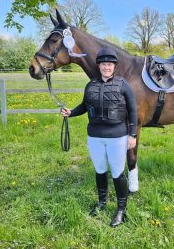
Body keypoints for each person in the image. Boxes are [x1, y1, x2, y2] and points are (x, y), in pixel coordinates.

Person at [61, 47, 137, 227]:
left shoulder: (123, 85)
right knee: (100, 170)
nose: (106, 67)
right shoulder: (91, 85)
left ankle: (121, 209)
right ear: (99, 66)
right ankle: (102, 202)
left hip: (117, 136)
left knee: (118, 172)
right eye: (103, 64)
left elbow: (133, 111)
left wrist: (132, 134)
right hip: (94, 136)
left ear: (114, 66)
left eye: (109, 64)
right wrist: (70, 112)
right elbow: (84, 106)